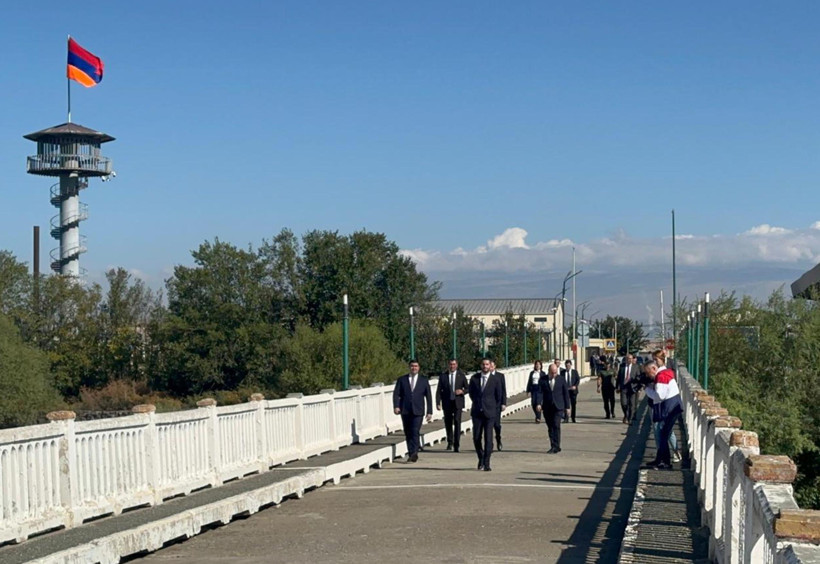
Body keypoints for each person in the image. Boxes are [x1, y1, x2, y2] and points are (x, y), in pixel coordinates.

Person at [643, 351, 682, 470]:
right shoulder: (667, 373)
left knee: (663, 434)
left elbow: (659, 396)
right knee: (663, 433)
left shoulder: (662, 376)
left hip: (669, 409)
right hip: (673, 407)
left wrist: (647, 390)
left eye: (648, 372)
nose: (648, 375)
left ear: (654, 368)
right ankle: (661, 460)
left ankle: (664, 462)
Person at [392, 360, 433, 463]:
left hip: (418, 410)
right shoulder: (402, 380)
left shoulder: (423, 380)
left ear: (419, 368)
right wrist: (396, 406)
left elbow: (428, 396)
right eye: (412, 366)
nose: (414, 368)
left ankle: (414, 453)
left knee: (415, 431)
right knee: (408, 432)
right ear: (409, 367)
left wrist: (429, 411)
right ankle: (411, 452)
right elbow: (396, 394)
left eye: (416, 366)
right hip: (405, 410)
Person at [469, 358, 505, 471]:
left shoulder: (495, 380)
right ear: (481, 365)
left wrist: (494, 408)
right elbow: (471, 393)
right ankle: (481, 457)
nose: (485, 366)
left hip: (490, 413)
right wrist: (478, 403)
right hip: (477, 412)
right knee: (476, 437)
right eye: (483, 364)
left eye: (487, 364)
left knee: (488, 439)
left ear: (490, 366)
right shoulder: (474, 379)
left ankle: (487, 462)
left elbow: (498, 396)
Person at [537, 363, 571, 453]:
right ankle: (553, 445)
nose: (554, 375)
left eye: (555, 372)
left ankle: (556, 446)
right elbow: (539, 392)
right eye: (552, 373)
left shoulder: (561, 379)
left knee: (556, 425)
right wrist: (538, 403)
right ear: (549, 371)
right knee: (550, 427)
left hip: (558, 406)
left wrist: (567, 407)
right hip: (547, 407)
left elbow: (565, 394)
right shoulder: (542, 380)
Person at [436, 359, 468, 452]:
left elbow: (468, 388)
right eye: (450, 364)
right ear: (448, 365)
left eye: (454, 364)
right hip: (447, 402)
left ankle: (457, 444)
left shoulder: (461, 375)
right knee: (448, 423)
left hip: (457, 402)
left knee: (457, 422)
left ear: (457, 365)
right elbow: (439, 390)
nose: (452, 366)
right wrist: (438, 402)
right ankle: (450, 442)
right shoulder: (443, 376)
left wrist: (462, 391)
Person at [616, 354, 640, 424]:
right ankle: (626, 415)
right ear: (626, 359)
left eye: (630, 358)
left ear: (632, 359)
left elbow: (638, 377)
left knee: (632, 404)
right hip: (623, 388)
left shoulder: (636, 367)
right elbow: (619, 377)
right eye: (628, 358)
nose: (629, 360)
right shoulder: (622, 366)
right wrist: (617, 387)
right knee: (623, 403)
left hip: (632, 388)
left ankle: (630, 419)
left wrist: (638, 387)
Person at [490, 360, 507, 450]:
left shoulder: (500, 376)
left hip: (497, 404)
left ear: (495, 366)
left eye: (492, 366)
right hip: (488, 405)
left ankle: (498, 439)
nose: (490, 367)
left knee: (497, 425)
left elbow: (503, 390)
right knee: (488, 425)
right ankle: (490, 444)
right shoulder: (485, 376)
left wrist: (503, 403)